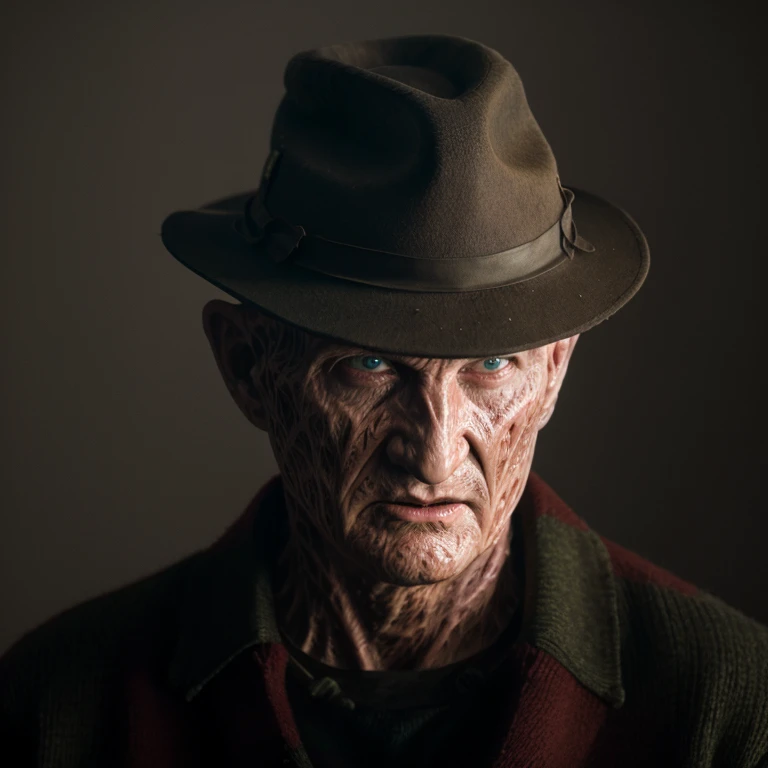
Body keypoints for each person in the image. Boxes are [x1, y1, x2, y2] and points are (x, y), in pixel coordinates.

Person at [1, 33, 766, 768]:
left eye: (491, 365)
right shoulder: (60, 709)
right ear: (246, 366)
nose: (433, 451)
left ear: (553, 373)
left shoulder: (727, 707)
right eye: (368, 365)